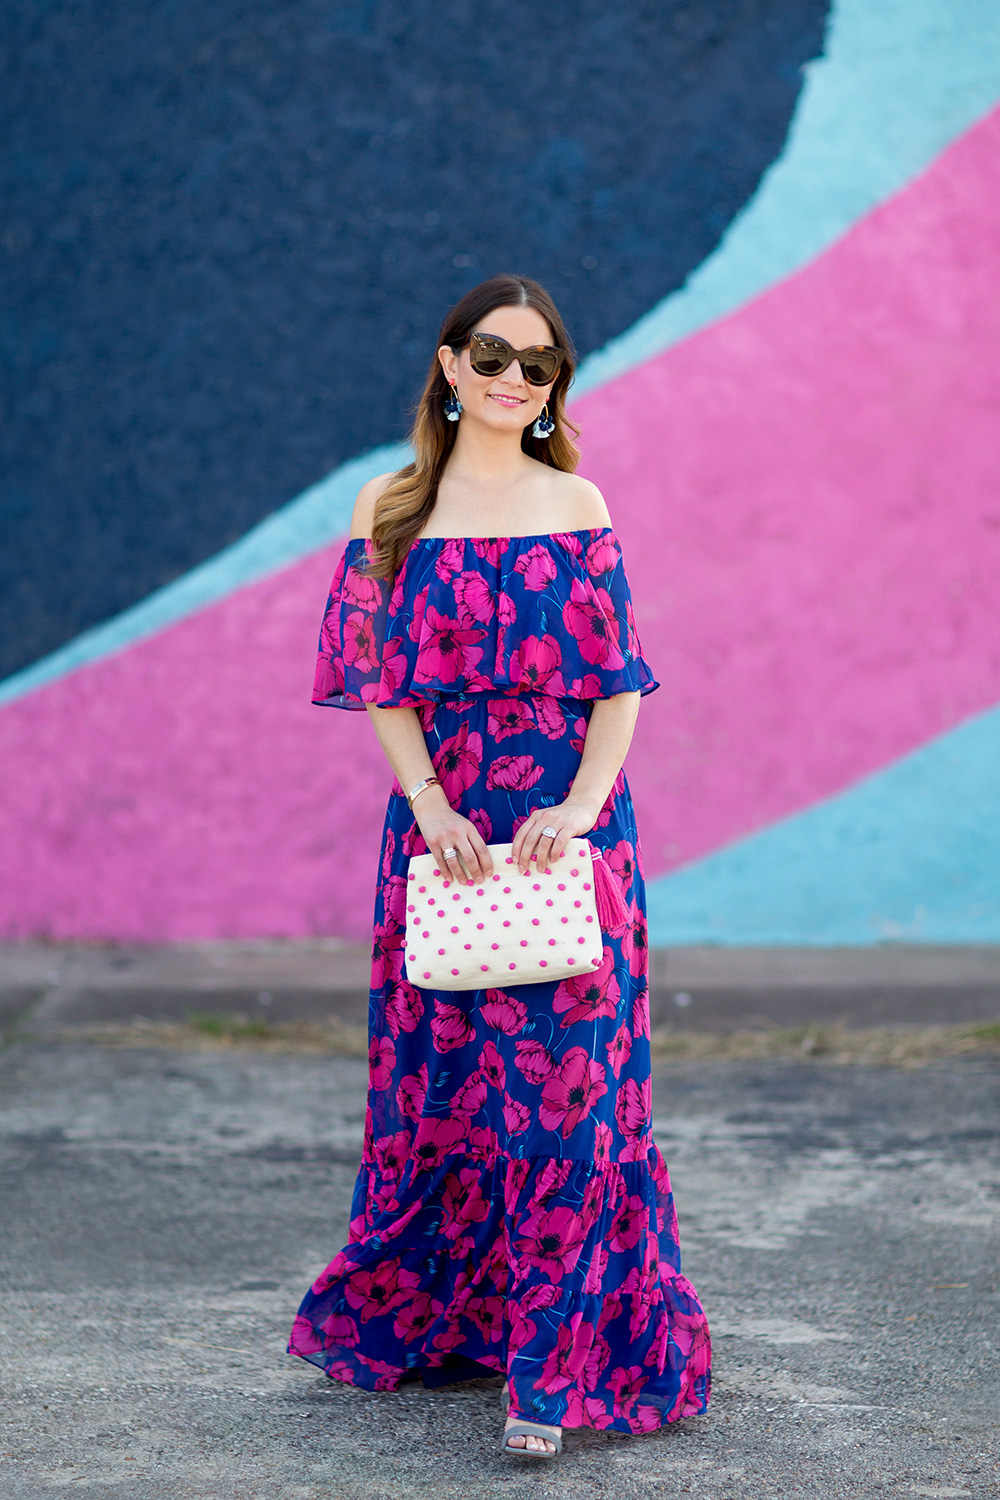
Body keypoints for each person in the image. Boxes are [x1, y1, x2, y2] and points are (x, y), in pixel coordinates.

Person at [288, 273, 710, 1457]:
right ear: (447, 361)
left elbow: (619, 680)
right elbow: (377, 682)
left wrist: (578, 807)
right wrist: (429, 805)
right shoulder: (391, 506)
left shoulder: (576, 498)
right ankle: (461, 1326)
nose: (514, 377)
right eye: (493, 353)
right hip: (445, 841)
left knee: (572, 1103)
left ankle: (553, 1374)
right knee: (450, 1097)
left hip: (570, 836)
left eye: (540, 365)